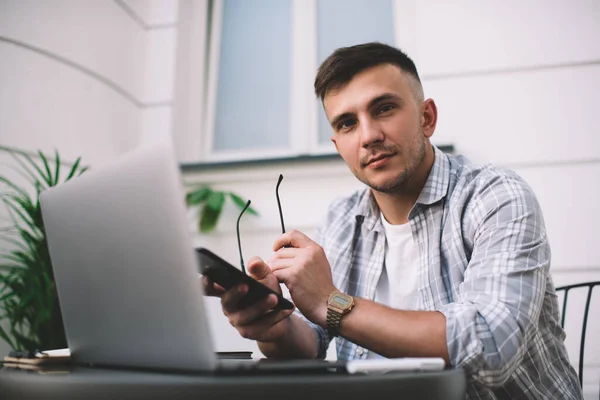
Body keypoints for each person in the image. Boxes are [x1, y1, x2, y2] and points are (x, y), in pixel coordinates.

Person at [203, 42, 582, 399]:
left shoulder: (497, 196)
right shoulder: (341, 217)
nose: (368, 136)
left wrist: (332, 302)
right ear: (339, 148)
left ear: (426, 117)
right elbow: (312, 343)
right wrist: (274, 322)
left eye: (383, 108)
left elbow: (490, 347)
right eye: (348, 123)